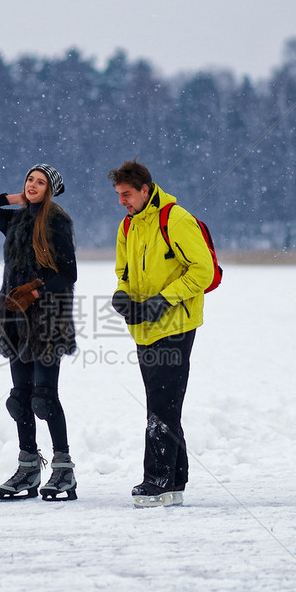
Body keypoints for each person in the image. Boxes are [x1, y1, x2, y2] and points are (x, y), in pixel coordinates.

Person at [0, 164, 78, 501]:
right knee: (20, 399)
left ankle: (63, 470)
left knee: (43, 398)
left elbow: (68, 274)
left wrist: (35, 293)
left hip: (47, 320)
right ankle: (28, 467)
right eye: (29, 179)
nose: (32, 185)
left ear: (51, 190)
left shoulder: (57, 222)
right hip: (15, 321)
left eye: (40, 182)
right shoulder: (15, 220)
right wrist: (13, 198)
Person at [109, 160, 214, 507]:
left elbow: (203, 271)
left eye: (126, 194)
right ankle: (175, 481)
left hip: (176, 325)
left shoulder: (177, 219)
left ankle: (157, 481)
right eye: (118, 195)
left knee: (161, 405)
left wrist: (162, 301)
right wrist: (123, 293)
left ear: (144, 189)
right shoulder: (128, 226)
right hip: (143, 327)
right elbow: (123, 270)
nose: (122, 201)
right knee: (163, 404)